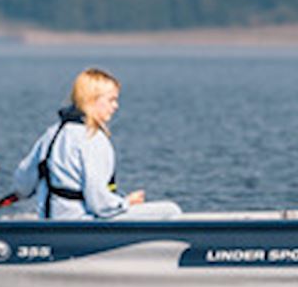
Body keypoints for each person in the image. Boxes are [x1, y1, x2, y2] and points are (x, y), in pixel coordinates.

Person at [12, 67, 181, 220]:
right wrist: (126, 203)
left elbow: (22, 185)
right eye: (111, 100)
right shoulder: (93, 139)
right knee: (170, 210)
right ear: (92, 100)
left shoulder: (51, 134)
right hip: (82, 224)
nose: (116, 106)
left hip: (50, 220)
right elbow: (100, 205)